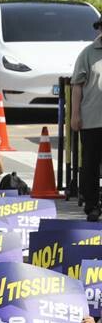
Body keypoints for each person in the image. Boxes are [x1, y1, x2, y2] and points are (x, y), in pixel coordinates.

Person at [70, 17, 102, 221]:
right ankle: (92, 205)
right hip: (92, 119)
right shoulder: (88, 54)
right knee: (90, 164)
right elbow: (77, 85)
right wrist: (75, 114)